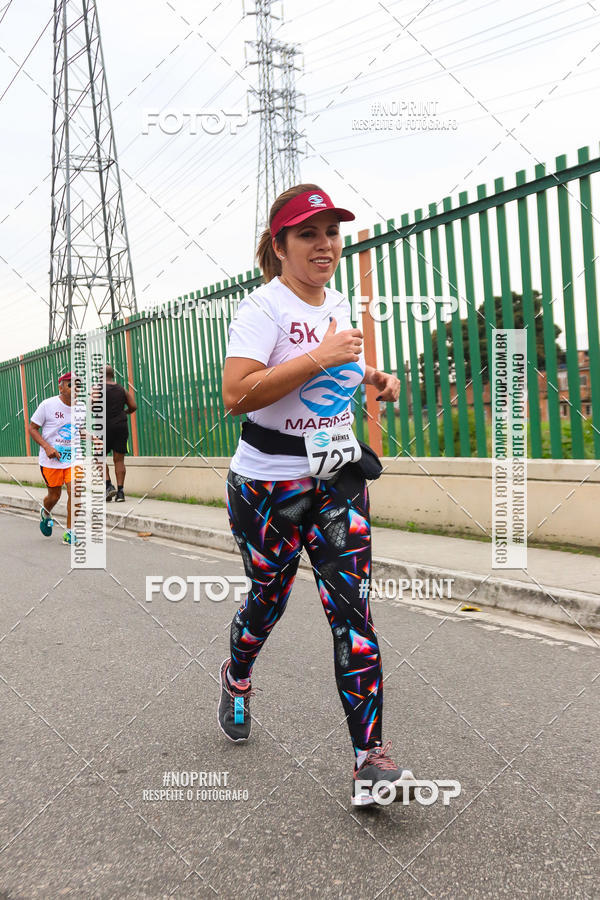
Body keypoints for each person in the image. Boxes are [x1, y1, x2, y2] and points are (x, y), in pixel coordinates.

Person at [218, 184, 416, 808]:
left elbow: (333, 374)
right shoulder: (262, 308)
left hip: (335, 481)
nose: (325, 244)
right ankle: (237, 675)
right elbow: (237, 395)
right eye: (308, 233)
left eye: (331, 232)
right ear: (279, 246)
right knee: (268, 600)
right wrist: (320, 356)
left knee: (354, 614)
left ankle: (369, 762)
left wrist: (372, 378)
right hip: (267, 486)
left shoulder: (337, 307)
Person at [29, 372, 80, 545]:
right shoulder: (47, 405)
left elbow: (77, 430)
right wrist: (47, 447)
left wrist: (93, 438)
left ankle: (70, 533)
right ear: (61, 387)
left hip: (73, 459)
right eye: (71, 384)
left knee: (75, 491)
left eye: (78, 385)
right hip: (51, 460)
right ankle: (46, 512)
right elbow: (32, 428)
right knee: (54, 496)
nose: (75, 388)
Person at [103, 365, 137, 502]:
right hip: (121, 427)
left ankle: (108, 486)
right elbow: (133, 406)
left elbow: (92, 405)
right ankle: (121, 492)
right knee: (119, 460)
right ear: (112, 375)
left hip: (103, 428)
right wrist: (124, 412)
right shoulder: (122, 389)